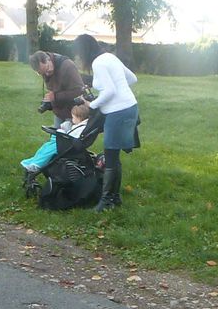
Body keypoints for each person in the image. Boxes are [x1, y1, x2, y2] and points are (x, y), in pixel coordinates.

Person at [72, 34, 139, 211]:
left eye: (78, 53)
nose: (79, 57)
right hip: (130, 108)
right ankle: (114, 198)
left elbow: (109, 90)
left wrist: (91, 104)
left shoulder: (98, 63)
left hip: (118, 113)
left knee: (110, 155)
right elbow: (132, 78)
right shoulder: (109, 57)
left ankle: (106, 201)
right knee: (113, 155)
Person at [21, 102, 91, 173]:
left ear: (79, 117)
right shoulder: (81, 125)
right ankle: (34, 160)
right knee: (45, 147)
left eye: (73, 117)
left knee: (48, 151)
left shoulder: (81, 127)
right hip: (65, 142)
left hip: (66, 145)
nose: (72, 120)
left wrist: (62, 131)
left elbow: (73, 138)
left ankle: (37, 164)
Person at [28, 49, 87, 128]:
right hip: (59, 112)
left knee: (67, 139)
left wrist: (55, 97)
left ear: (48, 59)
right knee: (57, 138)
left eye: (47, 68)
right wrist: (50, 100)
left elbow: (80, 91)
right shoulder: (45, 70)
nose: (47, 73)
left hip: (74, 112)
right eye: (43, 73)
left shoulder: (67, 65)